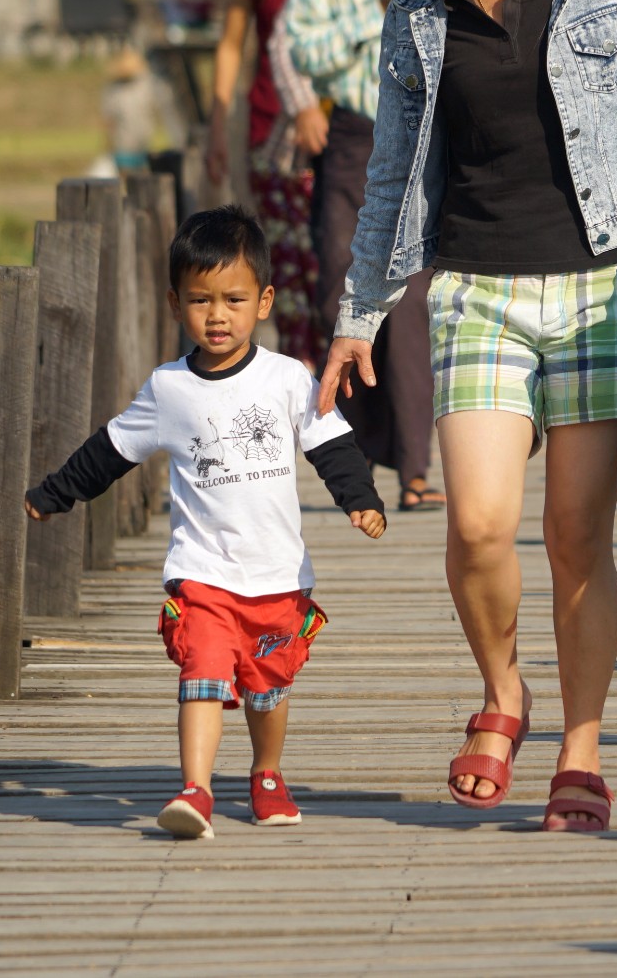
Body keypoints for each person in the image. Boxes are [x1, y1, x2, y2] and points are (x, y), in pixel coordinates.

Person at [318, 0, 617, 832]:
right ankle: (504, 690)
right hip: (476, 288)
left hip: (599, 291)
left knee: (574, 536)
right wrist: (357, 314)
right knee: (478, 521)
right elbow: (394, 176)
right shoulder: (413, 17)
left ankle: (579, 748)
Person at [24, 206, 387, 840]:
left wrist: (361, 499)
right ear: (175, 303)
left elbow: (331, 445)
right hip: (203, 574)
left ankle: (268, 775)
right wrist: (56, 493)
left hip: (276, 576)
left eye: (234, 299)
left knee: (267, 688)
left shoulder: (286, 379)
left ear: (265, 301)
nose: (217, 315)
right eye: (200, 300)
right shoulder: (169, 389)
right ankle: (194, 789)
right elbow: (109, 451)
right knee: (204, 672)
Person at [278, 0, 445, 512]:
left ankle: (414, 467)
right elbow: (303, 47)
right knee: (336, 297)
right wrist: (377, 15)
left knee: (409, 309)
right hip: (352, 137)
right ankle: (372, 443)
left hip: (425, 137)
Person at [206, 0, 338, 368]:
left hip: (337, 130)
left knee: (328, 260)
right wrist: (219, 125)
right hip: (269, 132)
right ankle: (302, 372)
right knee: (285, 263)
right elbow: (231, 44)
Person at [101, 41, 184, 172]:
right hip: (123, 148)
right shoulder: (113, 89)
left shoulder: (145, 84)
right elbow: (108, 120)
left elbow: (161, 106)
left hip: (143, 145)